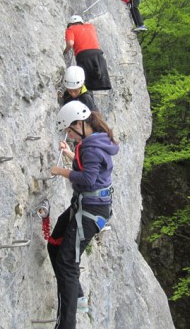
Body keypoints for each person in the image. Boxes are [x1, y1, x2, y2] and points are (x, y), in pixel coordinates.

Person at [49, 101, 119, 329]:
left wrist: (61, 171)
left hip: (89, 210)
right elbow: (91, 170)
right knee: (55, 244)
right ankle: (76, 293)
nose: (69, 135)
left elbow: (88, 179)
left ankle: (66, 324)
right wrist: (70, 154)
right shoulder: (95, 140)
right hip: (88, 205)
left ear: (80, 124)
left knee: (67, 263)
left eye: (70, 130)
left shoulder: (90, 146)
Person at [63, 15, 112, 91]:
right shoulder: (90, 27)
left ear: (70, 24)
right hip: (98, 55)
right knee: (99, 80)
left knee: (84, 82)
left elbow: (70, 43)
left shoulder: (70, 29)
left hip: (84, 56)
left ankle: (86, 99)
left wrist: (65, 51)